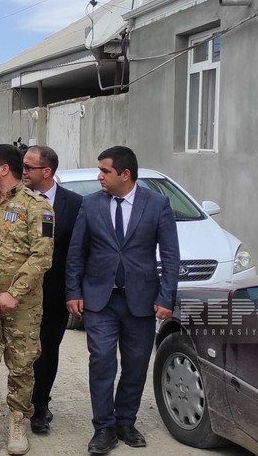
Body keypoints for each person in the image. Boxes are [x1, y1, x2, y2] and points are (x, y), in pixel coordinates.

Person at [66, 146, 179, 454]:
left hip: (141, 301)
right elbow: (77, 253)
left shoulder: (157, 204)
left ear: (125, 174)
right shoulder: (91, 205)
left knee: (136, 364)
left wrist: (166, 296)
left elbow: (170, 256)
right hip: (100, 301)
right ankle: (103, 427)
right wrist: (73, 292)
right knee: (101, 360)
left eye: (105, 171)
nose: (99, 176)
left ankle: (125, 421)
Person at [0, 144, 54, 456]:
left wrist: (13, 293)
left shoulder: (38, 206)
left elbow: (42, 257)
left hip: (23, 306)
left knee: (21, 365)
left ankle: (18, 422)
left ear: (4, 169)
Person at [21, 146, 83, 435]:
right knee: (22, 352)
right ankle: (18, 403)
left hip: (56, 293)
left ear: (46, 172)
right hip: (21, 292)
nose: (23, 172)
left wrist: (75, 291)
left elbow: (79, 252)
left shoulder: (75, 204)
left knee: (47, 351)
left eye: (29, 167)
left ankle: (39, 406)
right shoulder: (17, 201)